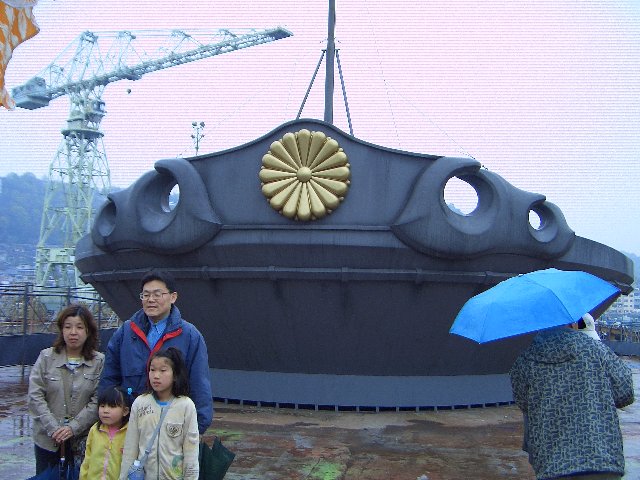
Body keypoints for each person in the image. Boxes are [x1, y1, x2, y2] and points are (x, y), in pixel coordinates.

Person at [510, 323, 635, 480]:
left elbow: (524, 403)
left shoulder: (524, 361)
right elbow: (625, 393)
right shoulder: (595, 349)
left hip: (552, 464)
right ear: (571, 322)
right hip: (600, 459)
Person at [99, 269, 213, 435]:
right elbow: (109, 378)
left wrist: (198, 427)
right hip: (129, 425)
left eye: (157, 294)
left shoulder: (189, 336)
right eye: (146, 295)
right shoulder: (126, 332)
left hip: (171, 427)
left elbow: (199, 383)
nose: (151, 300)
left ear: (173, 297)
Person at [28, 303, 105, 474]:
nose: (73, 332)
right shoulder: (46, 357)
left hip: (82, 441)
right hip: (47, 440)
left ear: (88, 331)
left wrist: (73, 428)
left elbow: (97, 401)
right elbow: (35, 396)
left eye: (79, 327)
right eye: (68, 326)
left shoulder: (98, 362)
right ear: (61, 330)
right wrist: (53, 428)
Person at [120, 347, 200, 480]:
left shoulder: (186, 406)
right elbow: (130, 448)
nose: (156, 376)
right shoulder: (140, 403)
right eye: (152, 370)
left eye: (163, 370)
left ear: (175, 375)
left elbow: (191, 452)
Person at [79, 385, 132, 480]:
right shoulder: (95, 430)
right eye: (102, 406)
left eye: (112, 406)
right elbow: (87, 460)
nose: (105, 411)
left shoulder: (130, 433)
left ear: (125, 411)